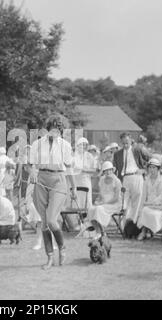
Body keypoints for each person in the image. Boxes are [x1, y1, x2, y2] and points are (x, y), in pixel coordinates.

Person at [29, 114, 77, 270]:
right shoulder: (37, 144)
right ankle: (49, 257)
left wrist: (74, 187)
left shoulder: (65, 145)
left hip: (58, 180)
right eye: (53, 129)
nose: (56, 132)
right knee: (44, 223)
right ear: (48, 129)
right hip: (41, 180)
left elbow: (69, 168)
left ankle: (62, 247)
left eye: (59, 129)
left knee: (51, 220)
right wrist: (32, 172)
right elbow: (30, 164)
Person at [113, 132, 151, 224]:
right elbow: (115, 168)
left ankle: (133, 224)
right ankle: (123, 225)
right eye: (123, 143)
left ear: (131, 140)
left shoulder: (138, 149)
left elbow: (150, 159)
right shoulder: (117, 154)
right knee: (123, 203)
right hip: (124, 178)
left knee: (137, 203)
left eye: (127, 142)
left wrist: (144, 170)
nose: (125, 145)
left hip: (136, 176)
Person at [77, 161, 122, 238]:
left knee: (99, 209)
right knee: (91, 209)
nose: (107, 172)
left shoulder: (117, 181)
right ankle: (98, 231)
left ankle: (101, 232)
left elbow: (116, 198)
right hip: (103, 203)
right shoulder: (101, 180)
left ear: (112, 170)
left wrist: (104, 203)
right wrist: (98, 201)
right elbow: (100, 195)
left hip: (114, 204)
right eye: (105, 170)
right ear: (103, 172)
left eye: (109, 170)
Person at [137, 158, 162, 240]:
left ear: (158, 169)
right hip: (148, 205)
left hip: (160, 206)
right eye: (150, 167)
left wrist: (152, 203)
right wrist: (141, 205)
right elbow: (143, 195)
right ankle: (144, 231)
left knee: (152, 212)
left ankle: (150, 231)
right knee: (144, 210)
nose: (151, 170)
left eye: (154, 167)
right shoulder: (146, 180)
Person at [72, 137, 95, 208]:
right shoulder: (73, 155)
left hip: (86, 180)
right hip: (75, 180)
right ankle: (75, 217)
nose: (83, 147)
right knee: (76, 200)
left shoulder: (90, 156)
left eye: (85, 145)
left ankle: (87, 217)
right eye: (82, 145)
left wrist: (84, 170)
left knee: (87, 199)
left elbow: (94, 170)